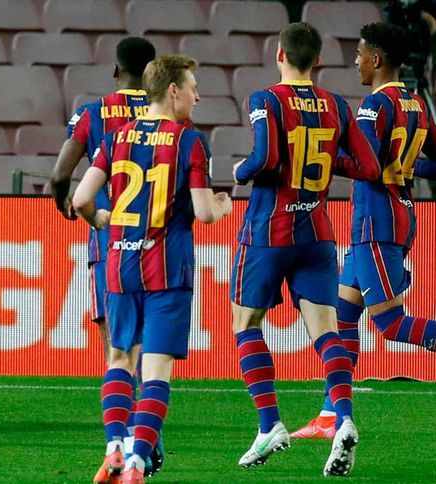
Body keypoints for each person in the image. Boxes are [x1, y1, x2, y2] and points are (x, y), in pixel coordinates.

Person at [230, 23, 380, 476]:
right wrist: (329, 159)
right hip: (316, 233)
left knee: (246, 324)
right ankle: (343, 418)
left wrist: (240, 172)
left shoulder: (266, 99)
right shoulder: (337, 105)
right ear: (317, 60)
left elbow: (265, 158)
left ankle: (269, 425)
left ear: (279, 55)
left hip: (269, 231)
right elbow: (369, 167)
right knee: (326, 332)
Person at [74, 54, 232, 484]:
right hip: (167, 270)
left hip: (120, 266)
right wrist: (223, 204)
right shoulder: (189, 141)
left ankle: (114, 448)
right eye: (193, 88)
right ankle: (137, 463)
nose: (198, 97)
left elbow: (81, 199)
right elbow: (204, 212)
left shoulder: (115, 138)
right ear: (173, 90)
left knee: (119, 359)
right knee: (156, 371)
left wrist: (98, 219)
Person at [292, 22, 436, 440]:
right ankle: (329, 415)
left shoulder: (375, 105)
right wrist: (406, 167)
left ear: (376, 59)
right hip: (387, 221)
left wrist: (319, 157)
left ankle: (332, 416)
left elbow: (366, 165)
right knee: (343, 317)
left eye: (359, 54)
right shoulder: (416, 103)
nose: (356, 62)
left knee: (390, 323)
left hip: (377, 223)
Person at [50, 36, 156, 483]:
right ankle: (143, 441)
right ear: (153, 74)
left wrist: (70, 205)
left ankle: (122, 443)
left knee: (117, 348)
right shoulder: (167, 116)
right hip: (157, 244)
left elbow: (60, 174)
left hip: (110, 243)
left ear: (116, 71)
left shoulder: (94, 113)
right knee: (149, 349)